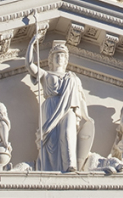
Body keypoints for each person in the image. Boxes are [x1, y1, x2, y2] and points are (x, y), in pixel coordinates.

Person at [26, 36, 93, 172]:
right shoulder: (46, 75)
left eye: (62, 55)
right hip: (50, 107)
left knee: (68, 133)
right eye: (56, 55)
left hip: (69, 108)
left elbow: (81, 99)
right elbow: (29, 65)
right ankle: (49, 169)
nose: (59, 58)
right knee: (52, 140)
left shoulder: (72, 77)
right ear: (51, 59)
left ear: (66, 59)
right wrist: (31, 44)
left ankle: (70, 165)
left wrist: (86, 117)